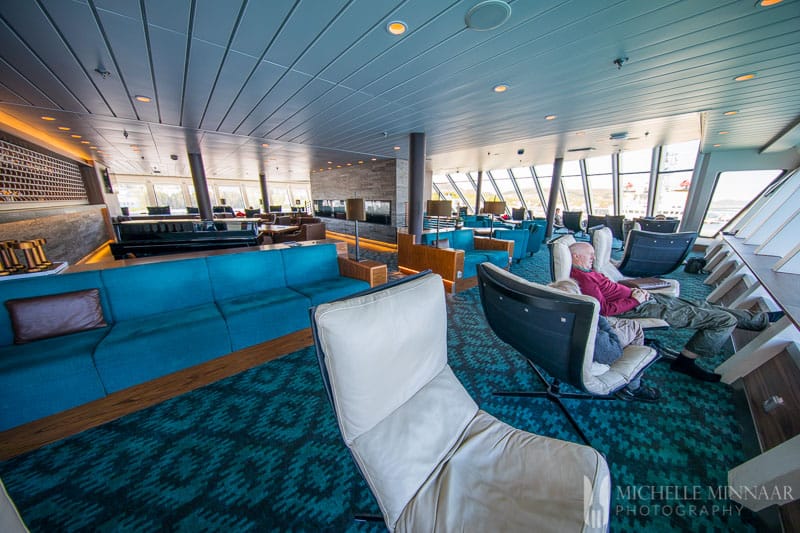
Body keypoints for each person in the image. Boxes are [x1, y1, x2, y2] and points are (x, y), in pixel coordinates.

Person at [567, 242, 783, 382]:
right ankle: (686, 361)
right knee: (722, 320)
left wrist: (635, 292)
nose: (594, 258)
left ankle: (759, 320)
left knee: (702, 305)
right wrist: (634, 299)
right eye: (590, 256)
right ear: (576, 258)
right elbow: (602, 309)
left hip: (639, 299)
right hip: (635, 307)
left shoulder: (589, 272)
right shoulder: (583, 278)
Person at [549, 279, 660, 402]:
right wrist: (597, 318)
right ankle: (632, 388)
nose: (593, 258)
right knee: (634, 327)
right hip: (592, 361)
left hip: (554, 357)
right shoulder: (585, 326)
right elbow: (613, 353)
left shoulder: (540, 316)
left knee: (623, 326)